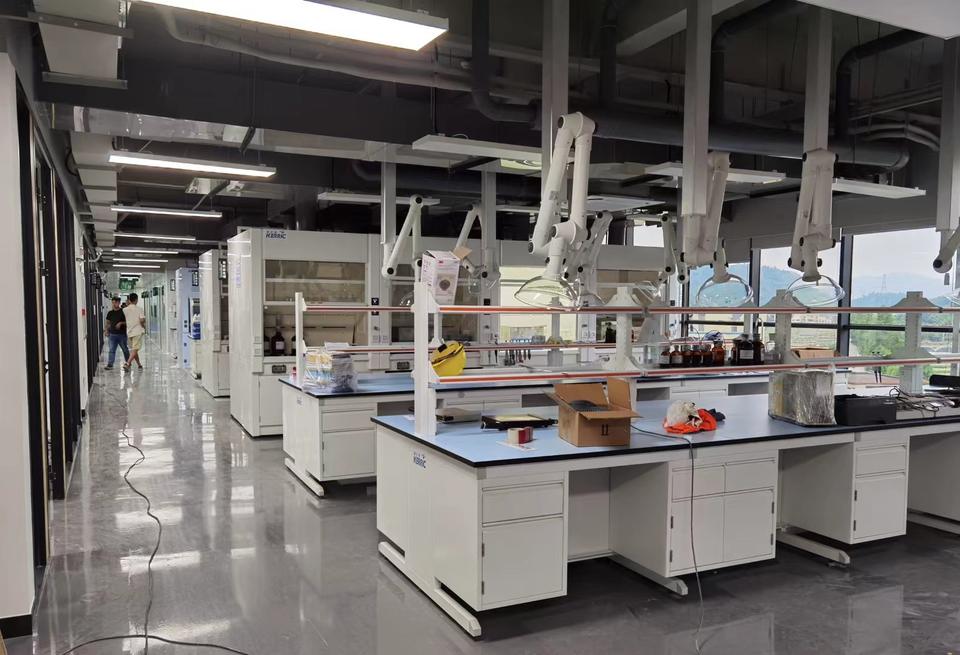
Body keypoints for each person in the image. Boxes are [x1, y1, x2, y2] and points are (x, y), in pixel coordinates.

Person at [103, 296, 129, 370]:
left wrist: (121, 323)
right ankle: (110, 365)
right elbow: (107, 323)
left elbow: (128, 322)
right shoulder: (110, 313)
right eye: (113, 302)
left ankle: (128, 363)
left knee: (125, 350)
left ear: (119, 303)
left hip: (122, 335)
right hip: (112, 335)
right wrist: (106, 330)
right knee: (111, 350)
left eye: (116, 303)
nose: (114, 304)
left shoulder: (123, 312)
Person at [123, 292, 146, 370]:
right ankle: (127, 363)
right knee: (135, 349)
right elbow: (142, 320)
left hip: (129, 332)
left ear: (129, 300)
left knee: (134, 349)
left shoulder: (124, 309)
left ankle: (139, 364)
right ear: (136, 300)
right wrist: (144, 326)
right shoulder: (139, 309)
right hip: (137, 331)